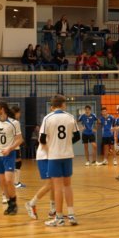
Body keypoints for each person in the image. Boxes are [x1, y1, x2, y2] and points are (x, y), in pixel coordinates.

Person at [40, 94, 81, 227]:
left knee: (57, 188)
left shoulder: (47, 118)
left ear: (53, 105)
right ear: (63, 105)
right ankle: (72, 215)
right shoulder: (70, 117)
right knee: (68, 185)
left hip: (54, 156)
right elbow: (77, 136)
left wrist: (51, 145)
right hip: (67, 155)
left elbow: (41, 139)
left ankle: (59, 218)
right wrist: (67, 143)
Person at [0, 101, 23, 215]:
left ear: (2, 109)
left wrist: (10, 149)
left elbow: (20, 140)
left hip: (9, 155)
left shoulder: (14, 123)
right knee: (1, 182)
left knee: (8, 180)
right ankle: (9, 203)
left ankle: (14, 202)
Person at [25, 125, 57, 221]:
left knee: (54, 184)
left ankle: (52, 210)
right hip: (44, 157)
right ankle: (31, 203)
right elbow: (42, 141)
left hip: (51, 157)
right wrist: (51, 153)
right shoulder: (47, 124)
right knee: (49, 184)